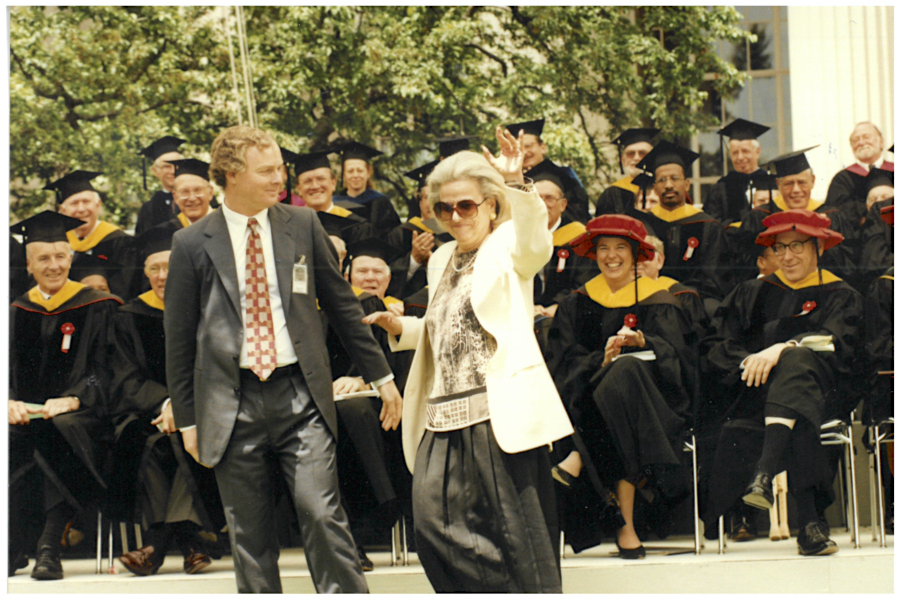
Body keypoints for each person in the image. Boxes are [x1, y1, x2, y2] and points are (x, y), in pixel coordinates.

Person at [164, 125, 403, 593]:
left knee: (322, 513)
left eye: (281, 167)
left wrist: (382, 376)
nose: (281, 178)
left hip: (301, 396)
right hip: (231, 405)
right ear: (231, 175)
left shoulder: (302, 225)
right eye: (268, 169)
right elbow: (179, 340)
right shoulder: (192, 244)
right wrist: (189, 419)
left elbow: (341, 304)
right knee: (250, 537)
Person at [363, 126, 573, 593]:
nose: (456, 216)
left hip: (498, 416)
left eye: (466, 205)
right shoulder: (440, 259)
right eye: (445, 207)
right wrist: (404, 329)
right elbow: (452, 329)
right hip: (442, 418)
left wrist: (517, 182)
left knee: (516, 541)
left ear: (491, 204)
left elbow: (536, 243)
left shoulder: (507, 247)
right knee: (433, 529)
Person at [702, 209, 864, 556]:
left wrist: (783, 347)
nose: (787, 256)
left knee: (798, 365)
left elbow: (838, 346)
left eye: (797, 246)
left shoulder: (840, 294)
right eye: (780, 247)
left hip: (823, 393)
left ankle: (764, 471)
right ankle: (810, 523)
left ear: (819, 246)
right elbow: (717, 347)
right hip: (757, 392)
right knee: (795, 399)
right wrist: (750, 361)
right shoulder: (752, 292)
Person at [545, 214, 694, 558]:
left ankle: (579, 457)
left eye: (620, 248)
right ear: (594, 253)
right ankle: (625, 526)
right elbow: (562, 364)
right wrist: (603, 359)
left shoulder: (660, 300)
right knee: (618, 381)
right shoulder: (576, 303)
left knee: (627, 372)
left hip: (654, 407)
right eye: (604, 248)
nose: (611, 256)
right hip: (602, 405)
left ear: (636, 254)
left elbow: (681, 363)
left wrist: (645, 342)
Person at [9, 211, 122, 580]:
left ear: (71, 259)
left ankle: (48, 546)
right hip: (25, 413)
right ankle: (11, 544)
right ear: (29, 265)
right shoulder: (14, 311)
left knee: (61, 428)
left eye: (61, 257)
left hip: (85, 413)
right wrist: (7, 400)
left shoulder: (98, 306)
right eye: (43, 258)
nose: (54, 265)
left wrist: (75, 397)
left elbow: (109, 370)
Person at [107, 226, 224, 577]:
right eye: (155, 268)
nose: (162, 276)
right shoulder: (129, 317)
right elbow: (125, 378)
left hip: (204, 407)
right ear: (145, 272)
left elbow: (218, 366)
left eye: (170, 267)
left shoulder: (208, 311)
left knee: (175, 440)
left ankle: (155, 546)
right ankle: (190, 543)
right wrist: (166, 404)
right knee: (159, 441)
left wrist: (185, 404)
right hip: (151, 412)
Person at [632, 141, 733, 309]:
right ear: (655, 188)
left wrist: (683, 294)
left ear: (686, 184)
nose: (669, 185)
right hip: (650, 298)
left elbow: (716, 280)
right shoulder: (642, 225)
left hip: (696, 302)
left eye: (674, 178)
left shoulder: (709, 226)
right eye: (662, 180)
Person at [47, 170, 134, 299]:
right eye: (74, 203)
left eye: (86, 202)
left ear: (98, 205)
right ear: (63, 210)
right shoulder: (56, 243)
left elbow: (126, 287)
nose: (81, 209)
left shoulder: (120, 241)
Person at [529, 160, 598, 319]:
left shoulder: (579, 237)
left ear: (563, 204)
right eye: (537, 198)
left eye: (550, 198)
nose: (543, 205)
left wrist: (559, 305)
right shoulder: (518, 237)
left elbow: (586, 281)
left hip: (566, 316)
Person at [505, 118, 591, 222]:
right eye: (518, 149)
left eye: (528, 146)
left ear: (543, 147)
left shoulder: (563, 176)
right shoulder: (513, 180)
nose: (524, 152)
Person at [292, 150, 375, 247]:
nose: (314, 186)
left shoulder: (357, 225)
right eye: (307, 181)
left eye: (321, 179)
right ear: (299, 189)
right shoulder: (290, 225)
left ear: (333, 183)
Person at [702, 119, 772, 226]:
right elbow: (712, 224)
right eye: (735, 153)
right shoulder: (722, 187)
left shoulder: (771, 182)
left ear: (757, 152)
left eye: (745, 151)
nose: (740, 157)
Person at [824, 122, 894, 223]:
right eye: (855, 140)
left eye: (866, 137)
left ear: (882, 142)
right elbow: (836, 211)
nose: (861, 142)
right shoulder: (842, 178)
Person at [333, 140, 401, 236]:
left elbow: (394, 236)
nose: (355, 175)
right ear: (344, 175)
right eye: (350, 171)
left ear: (368, 173)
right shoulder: (335, 203)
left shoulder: (381, 202)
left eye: (360, 170)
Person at [594, 127, 659, 216]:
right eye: (631, 153)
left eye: (642, 153)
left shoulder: (663, 188)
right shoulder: (612, 194)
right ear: (623, 160)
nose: (636, 158)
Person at [135, 136, 185, 236]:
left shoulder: (199, 199)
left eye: (177, 165)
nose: (173, 171)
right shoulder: (148, 209)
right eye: (167, 166)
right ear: (155, 171)